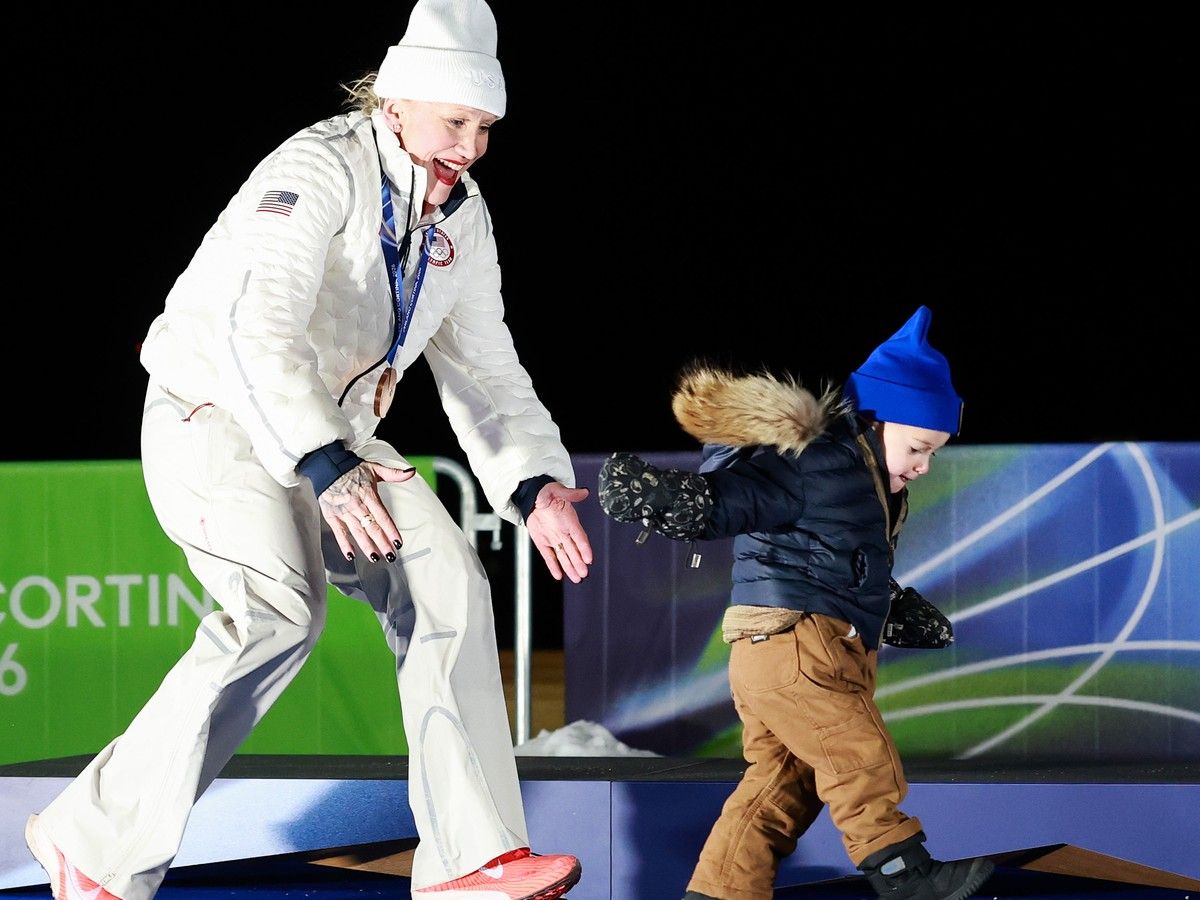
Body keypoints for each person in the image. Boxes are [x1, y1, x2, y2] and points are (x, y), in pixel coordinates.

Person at [23, 1, 591, 898]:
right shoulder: (315, 170)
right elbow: (255, 327)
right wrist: (322, 464)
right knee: (277, 611)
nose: (473, 147)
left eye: (486, 127)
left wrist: (532, 483)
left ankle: (471, 858)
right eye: (458, 123)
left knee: (447, 577)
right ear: (397, 104)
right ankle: (92, 838)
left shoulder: (460, 221)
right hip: (216, 414)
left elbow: (485, 370)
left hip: (337, 433)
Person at [598, 306, 995, 900]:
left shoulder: (863, 478)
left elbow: (833, 559)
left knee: (784, 783)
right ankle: (904, 874)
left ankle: (718, 892)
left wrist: (891, 606)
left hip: (787, 652)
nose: (923, 465)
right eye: (918, 446)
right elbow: (740, 499)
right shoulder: (820, 460)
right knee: (861, 757)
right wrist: (679, 499)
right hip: (798, 646)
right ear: (876, 420)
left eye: (934, 453)